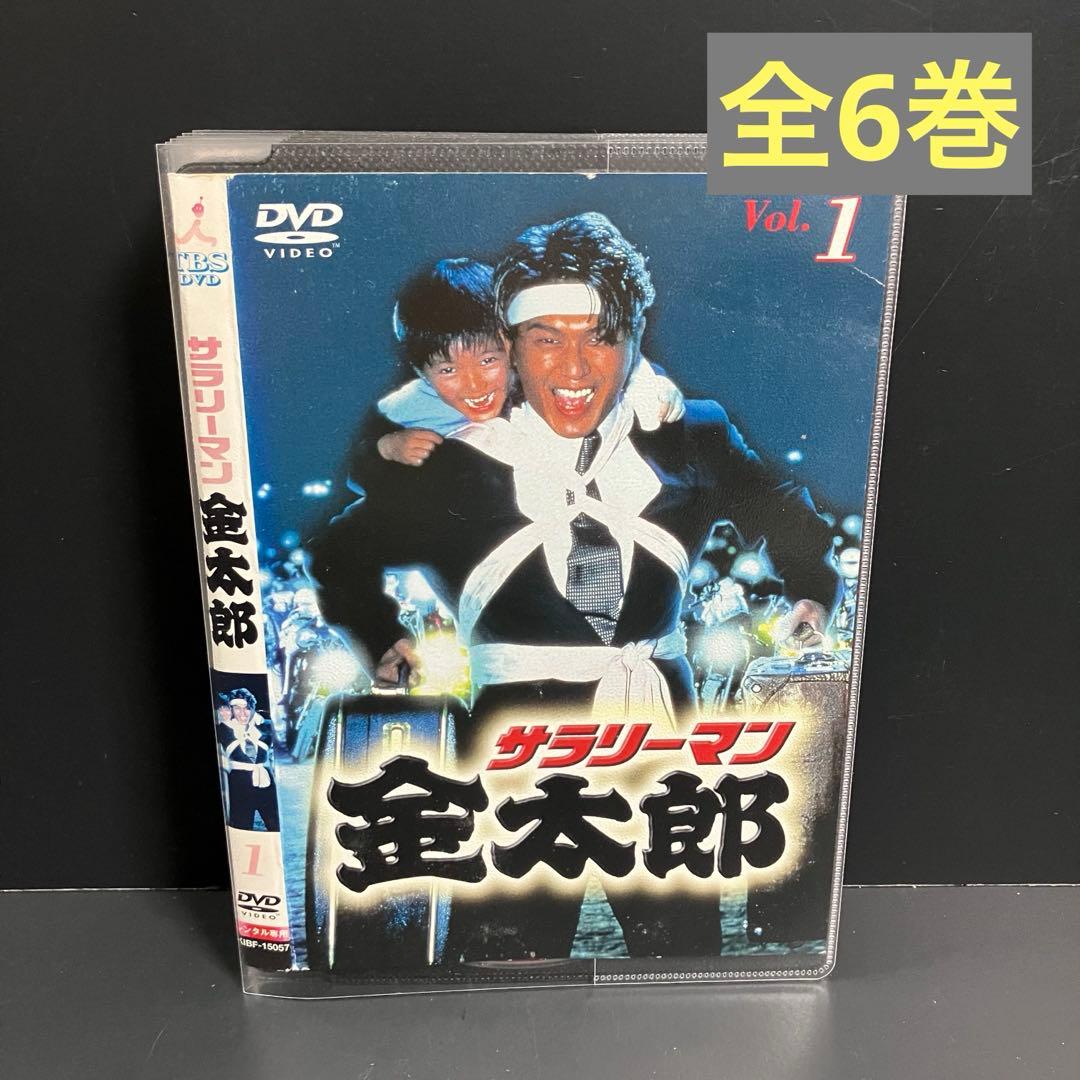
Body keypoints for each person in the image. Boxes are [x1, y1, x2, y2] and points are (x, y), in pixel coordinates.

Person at [309, 212, 838, 961]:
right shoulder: (452, 459)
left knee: (681, 960)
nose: (575, 367)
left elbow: (778, 505)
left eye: (601, 337)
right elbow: (340, 549)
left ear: (635, 340)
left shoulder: (690, 432)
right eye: (545, 339)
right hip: (514, 749)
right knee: (507, 965)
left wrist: (810, 586)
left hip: (659, 732)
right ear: (510, 344)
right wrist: (379, 632)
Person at [344, 257, 684, 486]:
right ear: (421, 373)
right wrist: (385, 449)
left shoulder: (538, 378)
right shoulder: (407, 408)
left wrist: (652, 386)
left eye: (488, 361)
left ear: (514, 348)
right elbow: (356, 473)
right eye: (448, 369)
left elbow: (616, 365)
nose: (474, 384)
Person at [216, 688, 280, 831]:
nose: (243, 713)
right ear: (231, 709)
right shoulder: (224, 728)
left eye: (247, 708)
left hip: (265, 781)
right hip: (239, 783)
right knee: (242, 827)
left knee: (276, 825)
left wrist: (258, 722)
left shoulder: (264, 726)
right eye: (237, 708)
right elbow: (237, 753)